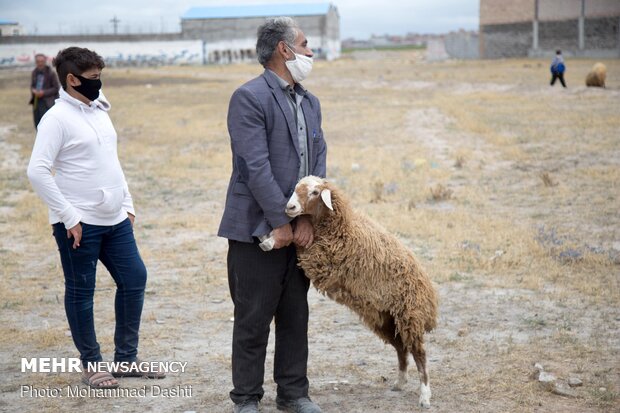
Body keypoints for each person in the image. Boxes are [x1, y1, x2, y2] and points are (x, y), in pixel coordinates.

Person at [27, 47, 163, 389]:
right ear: (72, 80)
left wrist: (127, 203)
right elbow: (37, 172)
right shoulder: (55, 119)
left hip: (115, 219)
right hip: (78, 224)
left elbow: (110, 160)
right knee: (81, 291)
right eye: (92, 78)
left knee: (134, 279)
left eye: (100, 76)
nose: (98, 83)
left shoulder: (100, 109)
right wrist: (69, 216)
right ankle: (91, 364)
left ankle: (126, 360)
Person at [218, 17, 327, 413]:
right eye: (305, 44)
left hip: (299, 230)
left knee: (296, 315)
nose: (311, 52)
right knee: (253, 317)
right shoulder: (249, 97)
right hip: (255, 229)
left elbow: (318, 163)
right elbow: (254, 166)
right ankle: (246, 398)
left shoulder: (310, 101)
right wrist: (280, 222)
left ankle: (294, 393)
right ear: (285, 49)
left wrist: (306, 218)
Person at [29, 53, 60, 128]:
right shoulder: (34, 72)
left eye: (41, 61)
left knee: (46, 125)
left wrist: (44, 93)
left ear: (45, 61)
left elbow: (56, 88)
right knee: (37, 124)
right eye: (38, 61)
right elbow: (32, 85)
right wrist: (33, 90)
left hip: (47, 103)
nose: (40, 63)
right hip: (36, 102)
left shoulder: (51, 73)